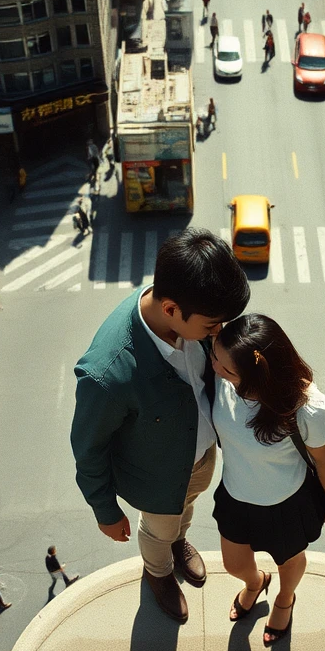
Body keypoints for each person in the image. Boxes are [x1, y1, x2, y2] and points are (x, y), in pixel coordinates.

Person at [71, 230, 250, 623]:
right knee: (157, 530)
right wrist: (105, 510)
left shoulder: (185, 304)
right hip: (156, 479)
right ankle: (158, 572)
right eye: (212, 325)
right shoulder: (107, 374)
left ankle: (178, 542)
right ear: (170, 308)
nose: (218, 333)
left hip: (200, 459)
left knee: (183, 512)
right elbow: (88, 449)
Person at [210, 314, 325, 646]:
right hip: (236, 495)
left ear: (259, 377)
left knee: (289, 561)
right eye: (214, 357)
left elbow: (324, 462)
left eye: (228, 370)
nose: (216, 369)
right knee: (233, 564)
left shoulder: (304, 408)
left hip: (286, 502)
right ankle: (256, 582)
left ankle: (285, 599)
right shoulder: (221, 376)